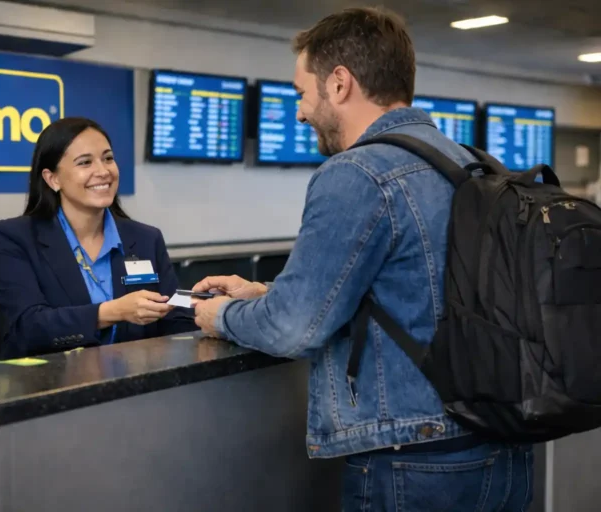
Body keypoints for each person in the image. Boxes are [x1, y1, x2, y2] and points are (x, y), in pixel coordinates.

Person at [192, 7, 533, 511]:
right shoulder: (472, 163)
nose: (300, 112)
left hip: (414, 463)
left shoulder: (358, 172)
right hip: (504, 453)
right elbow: (421, 291)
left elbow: (293, 330)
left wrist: (217, 315)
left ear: (339, 83)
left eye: (301, 94)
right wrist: (264, 292)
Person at [0, 117, 195, 359]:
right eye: (85, 163)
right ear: (52, 179)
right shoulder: (15, 238)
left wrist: (214, 310)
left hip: (138, 386)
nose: (103, 171)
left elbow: (176, 318)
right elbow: (29, 327)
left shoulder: (146, 238)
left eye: (108, 158)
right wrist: (112, 312)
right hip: (50, 387)